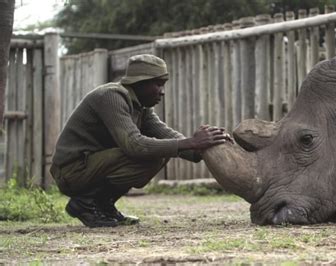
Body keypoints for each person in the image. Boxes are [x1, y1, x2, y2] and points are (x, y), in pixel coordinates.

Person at [50, 54, 231, 228]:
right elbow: (134, 145)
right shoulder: (111, 96)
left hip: (91, 167)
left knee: (160, 151)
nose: (162, 92)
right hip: (72, 171)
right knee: (149, 153)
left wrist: (207, 145)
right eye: (158, 84)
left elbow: (167, 135)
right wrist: (192, 142)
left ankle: (103, 206)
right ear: (140, 82)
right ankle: (85, 204)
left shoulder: (141, 107)